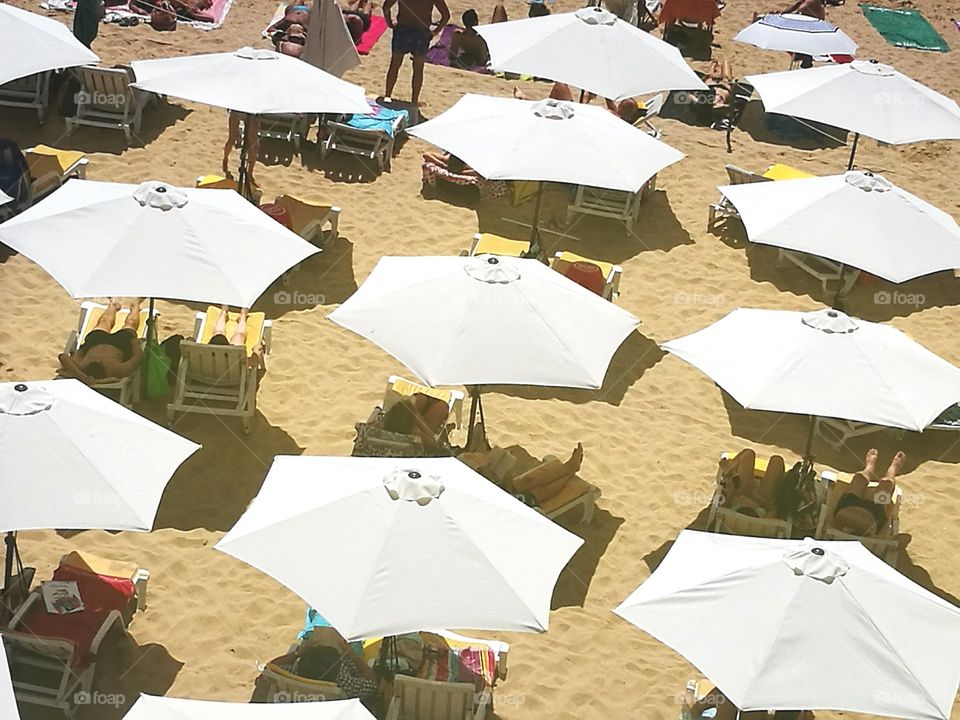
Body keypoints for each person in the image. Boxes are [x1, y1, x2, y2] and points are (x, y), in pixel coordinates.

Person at [461, 443, 585, 509]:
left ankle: (568, 467)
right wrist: (507, 479)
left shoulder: (476, 477)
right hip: (508, 503)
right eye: (473, 456)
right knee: (541, 492)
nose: (475, 455)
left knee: (528, 480)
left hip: (501, 490)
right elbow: (503, 499)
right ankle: (570, 471)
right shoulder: (476, 490)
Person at [58, 299, 144, 385]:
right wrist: (135, 343)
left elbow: (62, 357)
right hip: (120, 345)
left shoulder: (81, 367)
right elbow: (137, 358)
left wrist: (82, 377)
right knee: (131, 323)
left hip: (95, 343)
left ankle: (113, 305)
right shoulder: (118, 370)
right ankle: (135, 305)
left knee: (103, 321)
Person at [383, 0, 451, 106]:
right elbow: (446, 15)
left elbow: (386, 7)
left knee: (395, 65)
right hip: (421, 32)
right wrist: (436, 31)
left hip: (403, 29)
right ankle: (414, 101)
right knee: (418, 69)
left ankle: (388, 95)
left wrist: (390, 23)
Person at [293, 643, 387, 715]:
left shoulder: (292, 675)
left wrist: (297, 654)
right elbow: (374, 683)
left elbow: (277, 667)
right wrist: (352, 655)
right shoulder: (344, 683)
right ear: (338, 671)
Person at [831, 449, 903, 537]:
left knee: (859, 478)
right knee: (886, 484)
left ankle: (869, 469)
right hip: (873, 515)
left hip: (848, 507)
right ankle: (892, 470)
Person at [717, 448, 785, 519]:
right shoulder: (760, 524)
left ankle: (729, 470)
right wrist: (752, 495)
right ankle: (729, 469)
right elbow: (772, 510)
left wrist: (743, 491)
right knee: (777, 460)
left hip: (740, 494)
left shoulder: (728, 518)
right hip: (760, 501)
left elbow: (726, 503)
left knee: (748, 453)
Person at [382, 393, 452, 454]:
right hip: (413, 440)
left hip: (393, 430)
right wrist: (417, 418)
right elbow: (433, 444)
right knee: (440, 406)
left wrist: (415, 416)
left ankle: (413, 410)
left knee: (422, 399)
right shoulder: (415, 439)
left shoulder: (377, 432)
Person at [222, 112, 260, 186]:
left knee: (254, 145)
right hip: (238, 110)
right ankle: (225, 160)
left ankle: (250, 173)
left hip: (252, 113)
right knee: (232, 139)